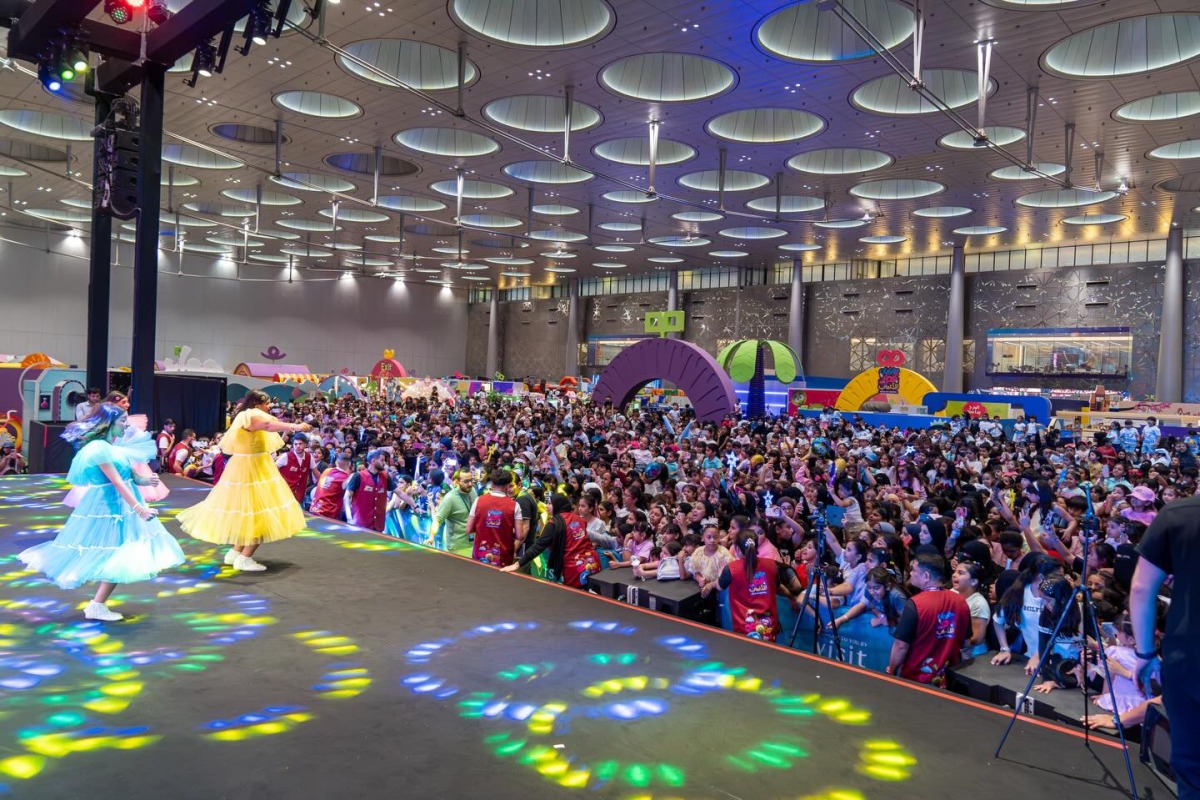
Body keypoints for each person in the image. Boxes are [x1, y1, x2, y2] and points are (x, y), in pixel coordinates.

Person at [18, 403, 185, 621]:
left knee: (119, 554)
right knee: (110, 552)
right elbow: (116, 482)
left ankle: (97, 604)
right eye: (122, 420)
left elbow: (128, 477)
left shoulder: (114, 447)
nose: (127, 425)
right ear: (109, 423)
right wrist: (140, 509)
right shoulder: (98, 449)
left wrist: (145, 480)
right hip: (108, 507)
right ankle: (96, 604)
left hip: (121, 505)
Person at [176, 390, 312, 572]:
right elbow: (269, 425)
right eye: (266, 403)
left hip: (253, 465)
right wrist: (295, 426)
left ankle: (236, 551)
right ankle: (245, 557)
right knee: (261, 513)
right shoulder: (252, 416)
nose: (268, 406)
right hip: (252, 468)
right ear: (257, 404)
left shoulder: (247, 416)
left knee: (249, 512)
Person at [1130, 493, 1200, 800]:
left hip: (1190, 662)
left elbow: (1142, 587)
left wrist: (1145, 653)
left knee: (1193, 770)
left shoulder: (1179, 514)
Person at [887, 554, 971, 686]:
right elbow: (966, 643)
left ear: (926, 576)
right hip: (950, 678)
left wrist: (891, 669)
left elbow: (901, 646)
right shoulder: (961, 602)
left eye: (914, 570)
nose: (911, 573)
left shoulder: (915, 604)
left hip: (916, 679)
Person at [717, 532, 805, 643]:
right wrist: (792, 598)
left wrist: (720, 575)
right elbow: (778, 587)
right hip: (768, 626)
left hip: (743, 627)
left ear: (737, 549)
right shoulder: (772, 565)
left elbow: (720, 587)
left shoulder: (730, 569)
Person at [501, 493, 601, 589]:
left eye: (549, 503)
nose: (546, 506)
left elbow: (538, 546)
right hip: (593, 563)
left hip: (575, 570)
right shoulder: (579, 519)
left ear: (557, 505)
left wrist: (517, 564)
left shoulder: (554, 523)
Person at [467, 469, 522, 567]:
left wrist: (483, 527)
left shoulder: (478, 500)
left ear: (491, 484)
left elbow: (468, 529)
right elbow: (519, 535)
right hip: (503, 557)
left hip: (479, 555)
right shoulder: (515, 505)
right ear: (508, 485)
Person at [342, 449, 397, 532]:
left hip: (378, 525)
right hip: (360, 524)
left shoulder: (385, 477)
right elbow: (346, 497)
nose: (384, 463)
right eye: (382, 460)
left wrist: (415, 507)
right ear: (374, 461)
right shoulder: (358, 476)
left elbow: (400, 492)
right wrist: (349, 518)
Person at [432, 469, 477, 554]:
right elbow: (437, 519)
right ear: (457, 482)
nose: (470, 484)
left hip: (474, 543)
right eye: (466, 481)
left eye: (471, 480)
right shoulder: (449, 498)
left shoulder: (473, 491)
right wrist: (431, 536)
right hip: (457, 547)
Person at [276, 433, 317, 506]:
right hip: (285, 492)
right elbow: (273, 470)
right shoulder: (286, 456)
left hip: (300, 493)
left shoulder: (309, 457)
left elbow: (316, 472)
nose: (298, 446)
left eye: (300, 444)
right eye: (295, 444)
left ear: (305, 445)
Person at [310, 453, 353, 521]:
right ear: (349, 464)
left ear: (336, 462)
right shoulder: (346, 478)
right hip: (328, 514)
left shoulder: (327, 470)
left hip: (314, 508)